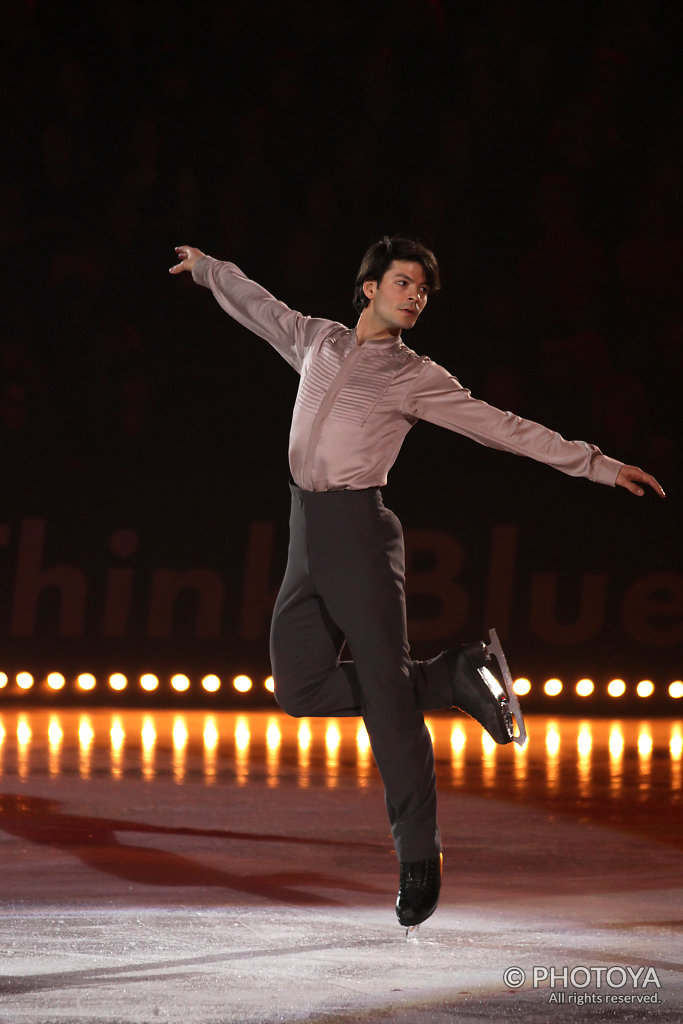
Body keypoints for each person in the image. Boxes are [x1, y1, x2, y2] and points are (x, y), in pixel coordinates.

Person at [170, 237, 664, 930]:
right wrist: (207, 269)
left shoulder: (414, 376)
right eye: (402, 283)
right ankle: (455, 675)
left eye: (423, 291)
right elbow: (259, 307)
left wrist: (597, 464)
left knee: (386, 706)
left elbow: (502, 427)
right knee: (298, 689)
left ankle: (417, 855)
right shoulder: (317, 340)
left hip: (360, 538)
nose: (414, 296)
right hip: (305, 530)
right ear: (367, 287)